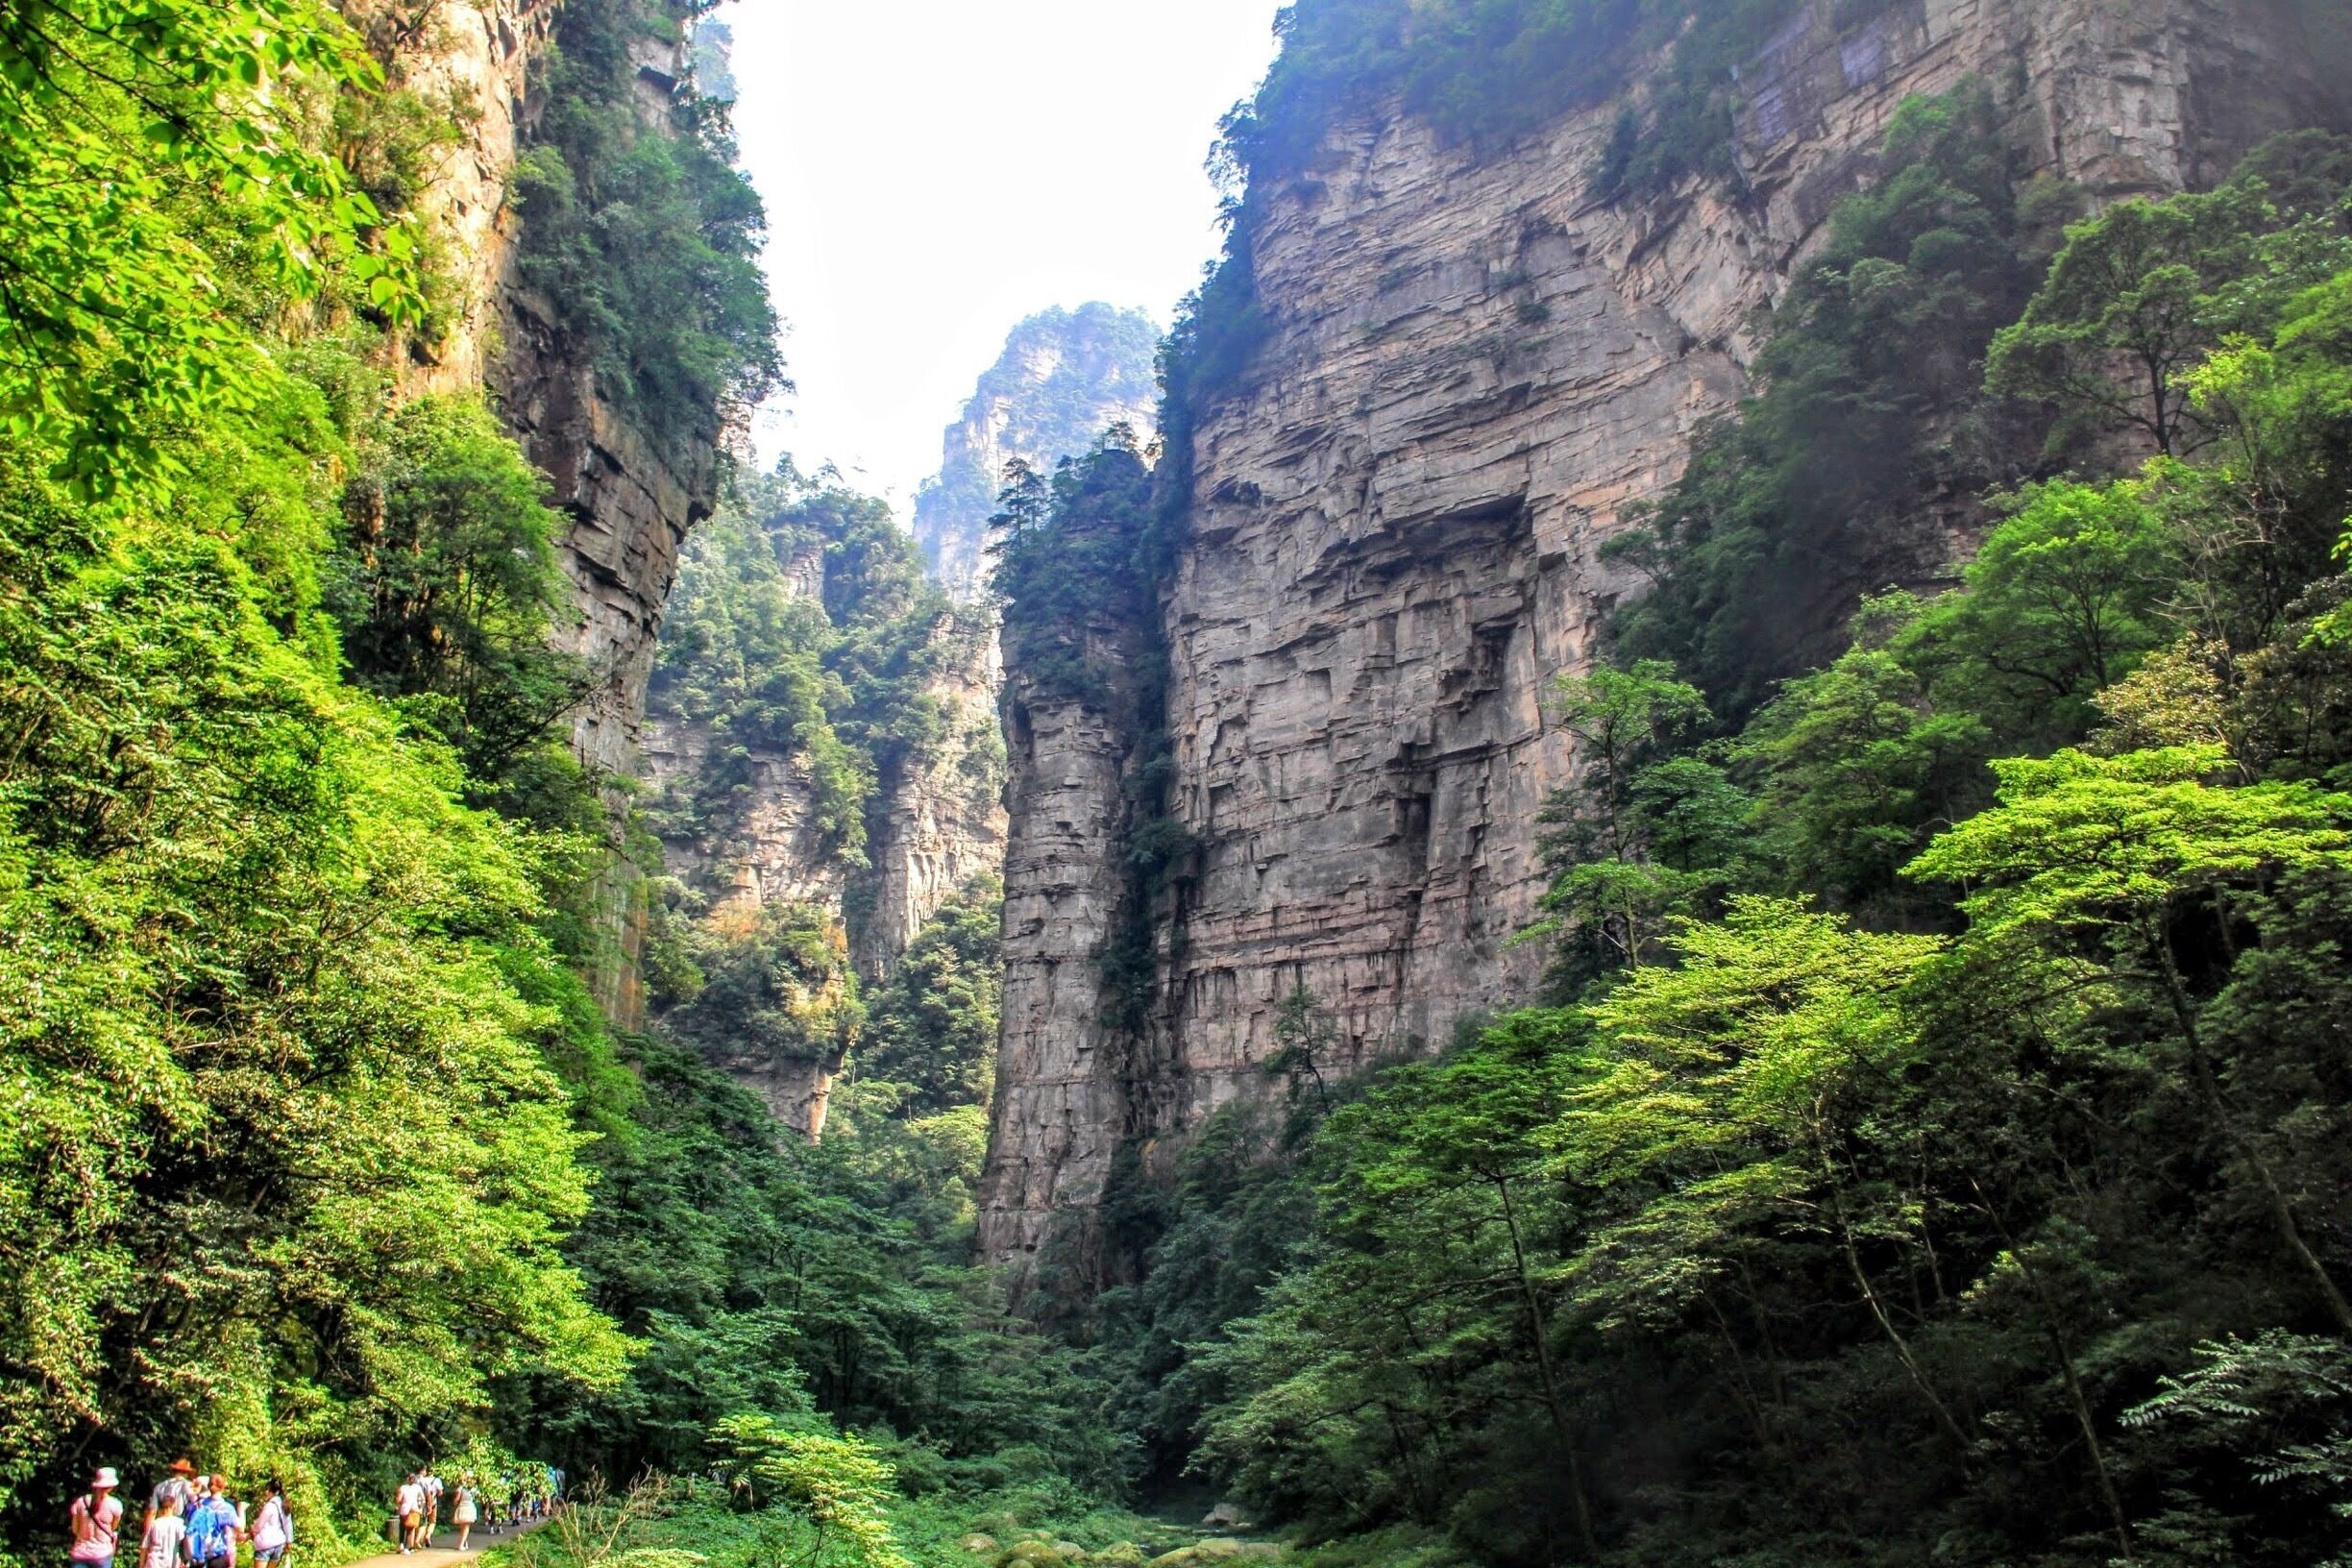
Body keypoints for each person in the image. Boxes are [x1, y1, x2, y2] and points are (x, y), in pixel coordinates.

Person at [70, 1467, 125, 1568]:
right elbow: (112, 1528)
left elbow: (75, 1529)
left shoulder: (80, 1502)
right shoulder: (115, 1505)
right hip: (102, 1554)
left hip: (80, 1552)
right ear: (111, 1486)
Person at [182, 1479, 235, 1568]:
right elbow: (233, 1532)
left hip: (198, 1553)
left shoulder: (197, 1506)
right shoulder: (228, 1508)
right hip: (216, 1553)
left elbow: (189, 1526)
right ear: (222, 1488)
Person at [250, 1481, 292, 1568]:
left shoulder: (270, 1505)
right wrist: (289, 1541)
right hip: (279, 1544)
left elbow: (259, 1525)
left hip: (265, 1544)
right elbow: (288, 1525)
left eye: (268, 1490)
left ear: (274, 1492)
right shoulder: (285, 1505)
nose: (266, 1492)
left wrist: (252, 1529)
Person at [138, 1494, 186, 1568]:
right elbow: (184, 1544)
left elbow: (144, 1547)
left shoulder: (154, 1524)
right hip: (171, 1562)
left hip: (153, 1563)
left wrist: (141, 1565)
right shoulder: (179, 1523)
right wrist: (183, 1560)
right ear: (174, 1506)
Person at [145, 1462, 196, 1530]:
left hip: (161, 1522)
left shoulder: (160, 1486)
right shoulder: (189, 1486)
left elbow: (152, 1512)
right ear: (186, 1473)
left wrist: (147, 1532)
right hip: (180, 1523)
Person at [394, 1475, 423, 1554]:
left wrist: (400, 1504)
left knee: (402, 1527)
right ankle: (407, 1548)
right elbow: (422, 1499)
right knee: (410, 1529)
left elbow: (399, 1499)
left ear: (407, 1479)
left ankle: (401, 1544)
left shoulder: (403, 1487)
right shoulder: (418, 1487)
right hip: (413, 1510)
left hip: (404, 1509)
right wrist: (420, 1507)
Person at [451, 1480, 477, 1553]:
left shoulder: (461, 1488)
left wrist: (455, 1502)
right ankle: (462, 1543)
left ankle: (462, 1543)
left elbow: (457, 1499)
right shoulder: (474, 1489)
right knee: (466, 1527)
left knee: (463, 1527)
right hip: (469, 1507)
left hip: (462, 1507)